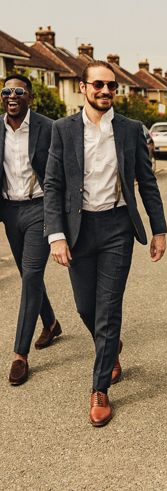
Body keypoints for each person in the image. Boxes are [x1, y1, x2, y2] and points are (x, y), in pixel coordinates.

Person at [44, 60, 167, 427]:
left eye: (111, 86)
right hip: (78, 228)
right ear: (83, 87)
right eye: (98, 85)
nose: (105, 91)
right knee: (85, 306)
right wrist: (56, 235)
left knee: (109, 307)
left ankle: (99, 388)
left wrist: (158, 230)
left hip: (116, 226)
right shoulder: (62, 130)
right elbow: (53, 185)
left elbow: (147, 182)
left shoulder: (129, 130)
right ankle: (109, 347)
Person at [1, 75, 61, 386]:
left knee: (32, 274)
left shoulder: (47, 127)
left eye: (18, 91)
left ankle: (20, 354)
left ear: (30, 97)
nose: (11, 95)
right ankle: (50, 323)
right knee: (28, 275)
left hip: (39, 208)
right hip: (10, 211)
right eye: (6, 90)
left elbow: (60, 171)